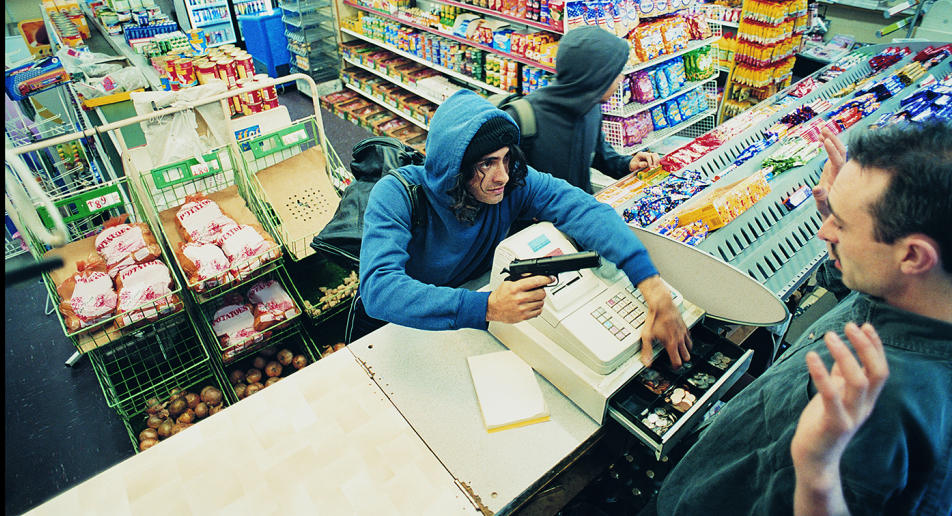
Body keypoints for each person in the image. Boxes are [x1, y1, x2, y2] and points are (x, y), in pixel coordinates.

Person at [651, 119, 952, 515]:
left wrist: (817, 474)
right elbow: (854, 286)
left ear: (912, 256)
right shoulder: (912, 293)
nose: (823, 231)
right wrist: (844, 216)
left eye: (840, 224)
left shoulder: (888, 402)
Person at [355, 89, 692, 367]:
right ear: (453, 168)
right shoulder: (398, 194)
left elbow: (586, 211)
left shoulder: (513, 184)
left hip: (464, 327)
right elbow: (379, 289)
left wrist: (652, 285)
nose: (501, 175)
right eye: (486, 163)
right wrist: (485, 307)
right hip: (398, 332)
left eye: (505, 159)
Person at [506, 25, 659, 194]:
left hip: (580, 212)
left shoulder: (590, 107)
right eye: (615, 72)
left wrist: (626, 164)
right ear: (595, 77)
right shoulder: (521, 119)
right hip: (540, 220)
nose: (621, 78)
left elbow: (598, 152)